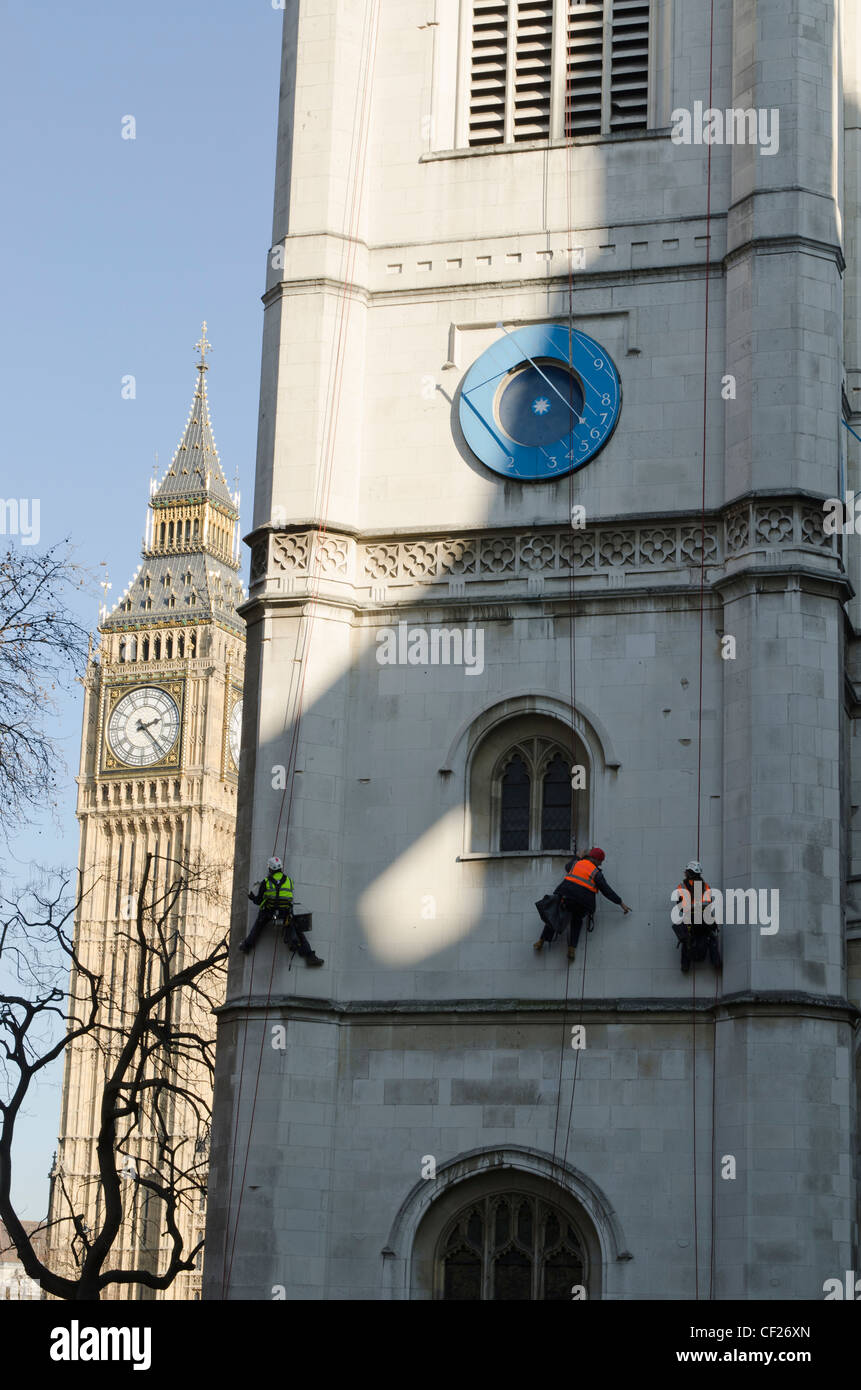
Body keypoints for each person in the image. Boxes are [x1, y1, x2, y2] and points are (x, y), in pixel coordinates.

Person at [534, 847, 632, 961]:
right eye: (600, 861)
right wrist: (620, 902)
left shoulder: (576, 863)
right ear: (595, 859)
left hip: (567, 895)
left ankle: (541, 941)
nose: (600, 864)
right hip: (583, 902)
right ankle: (571, 949)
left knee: (555, 916)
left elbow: (567, 867)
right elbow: (606, 890)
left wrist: (578, 856)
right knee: (577, 921)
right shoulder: (596, 873)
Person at [240, 856, 324, 967]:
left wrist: (252, 898)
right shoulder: (289, 881)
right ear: (281, 868)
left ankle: (246, 946)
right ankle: (310, 956)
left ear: (270, 869)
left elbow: (259, 901)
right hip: (285, 914)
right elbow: (289, 897)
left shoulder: (265, 882)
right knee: (298, 930)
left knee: (258, 925)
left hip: (269, 912)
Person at [671, 860, 720, 972]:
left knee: (685, 939)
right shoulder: (705, 886)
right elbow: (709, 903)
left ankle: (685, 966)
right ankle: (716, 962)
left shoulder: (682, 886)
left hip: (690, 919)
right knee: (712, 937)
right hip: (704, 918)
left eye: (686, 871)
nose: (685, 873)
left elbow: (679, 905)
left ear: (689, 872)